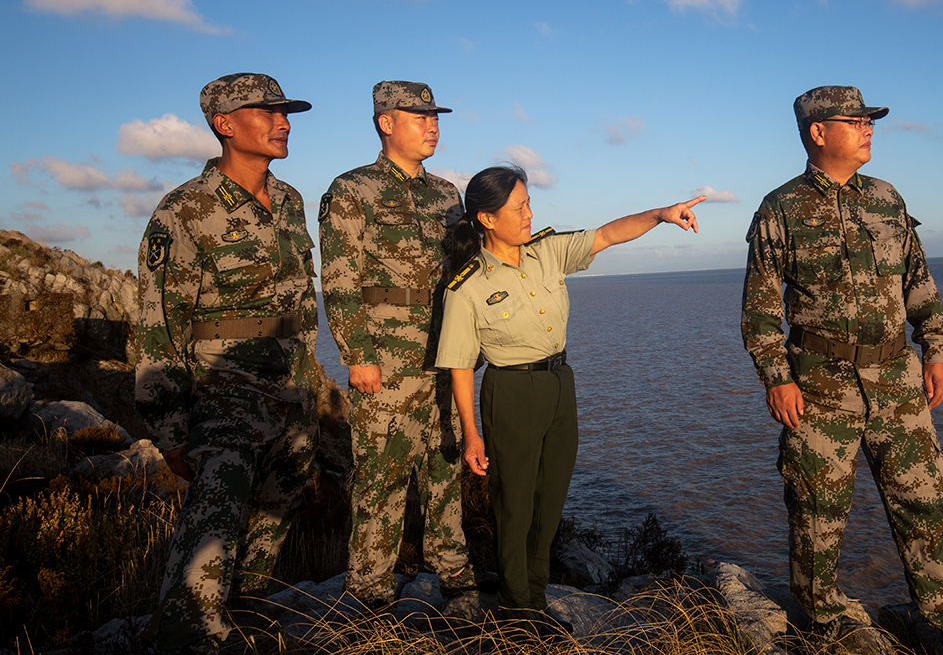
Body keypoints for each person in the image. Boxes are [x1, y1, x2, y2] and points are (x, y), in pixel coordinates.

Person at [741, 86, 943, 654]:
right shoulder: (780, 209)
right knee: (816, 508)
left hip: (898, 381)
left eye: (869, 120)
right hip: (818, 384)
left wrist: (936, 350)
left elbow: (919, 283)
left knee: (925, 499)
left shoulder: (887, 199)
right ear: (817, 132)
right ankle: (823, 620)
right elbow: (759, 304)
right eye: (854, 120)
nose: (868, 128)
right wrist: (775, 375)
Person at [434, 166, 703, 624]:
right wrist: (471, 434)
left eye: (529, 203)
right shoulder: (467, 286)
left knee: (550, 500)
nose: (528, 214)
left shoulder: (547, 252)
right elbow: (460, 366)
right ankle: (519, 614)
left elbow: (606, 235)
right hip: (512, 391)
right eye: (518, 207)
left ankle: (534, 598)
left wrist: (661, 214)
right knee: (514, 507)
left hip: (561, 384)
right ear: (487, 218)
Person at [135, 73, 320, 652]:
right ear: (224, 124)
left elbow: (298, 303)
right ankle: (186, 636)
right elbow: (157, 326)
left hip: (289, 396)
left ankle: (240, 623)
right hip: (221, 398)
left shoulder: (290, 201)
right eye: (267, 112)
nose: (282, 121)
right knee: (210, 538)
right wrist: (168, 430)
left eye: (285, 112)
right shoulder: (184, 211)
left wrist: (308, 389)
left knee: (269, 525)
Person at [319, 80, 478, 607]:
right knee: (381, 479)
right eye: (420, 117)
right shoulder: (351, 190)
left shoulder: (446, 195)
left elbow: (464, 274)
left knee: (444, 468)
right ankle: (367, 593)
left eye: (436, 117)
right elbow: (341, 281)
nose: (434, 126)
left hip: (445, 357)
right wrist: (357, 356)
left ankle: (455, 577)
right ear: (386, 123)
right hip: (384, 363)